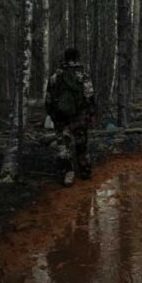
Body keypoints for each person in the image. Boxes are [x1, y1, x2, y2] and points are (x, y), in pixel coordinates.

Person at [45, 48, 96, 187]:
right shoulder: (83, 75)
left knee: (63, 146)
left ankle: (68, 173)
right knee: (81, 143)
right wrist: (91, 113)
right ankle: (85, 170)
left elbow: (49, 98)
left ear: (65, 58)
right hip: (79, 116)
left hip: (61, 117)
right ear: (77, 58)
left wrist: (52, 114)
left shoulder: (55, 76)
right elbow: (89, 95)